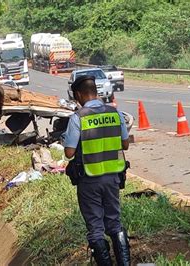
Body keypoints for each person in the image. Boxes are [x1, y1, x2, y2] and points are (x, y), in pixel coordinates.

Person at [63, 75, 131, 266]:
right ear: (96, 91)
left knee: (95, 228)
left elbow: (69, 153)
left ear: (78, 94)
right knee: (114, 223)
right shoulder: (115, 114)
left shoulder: (78, 118)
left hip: (89, 180)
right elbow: (125, 145)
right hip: (113, 178)